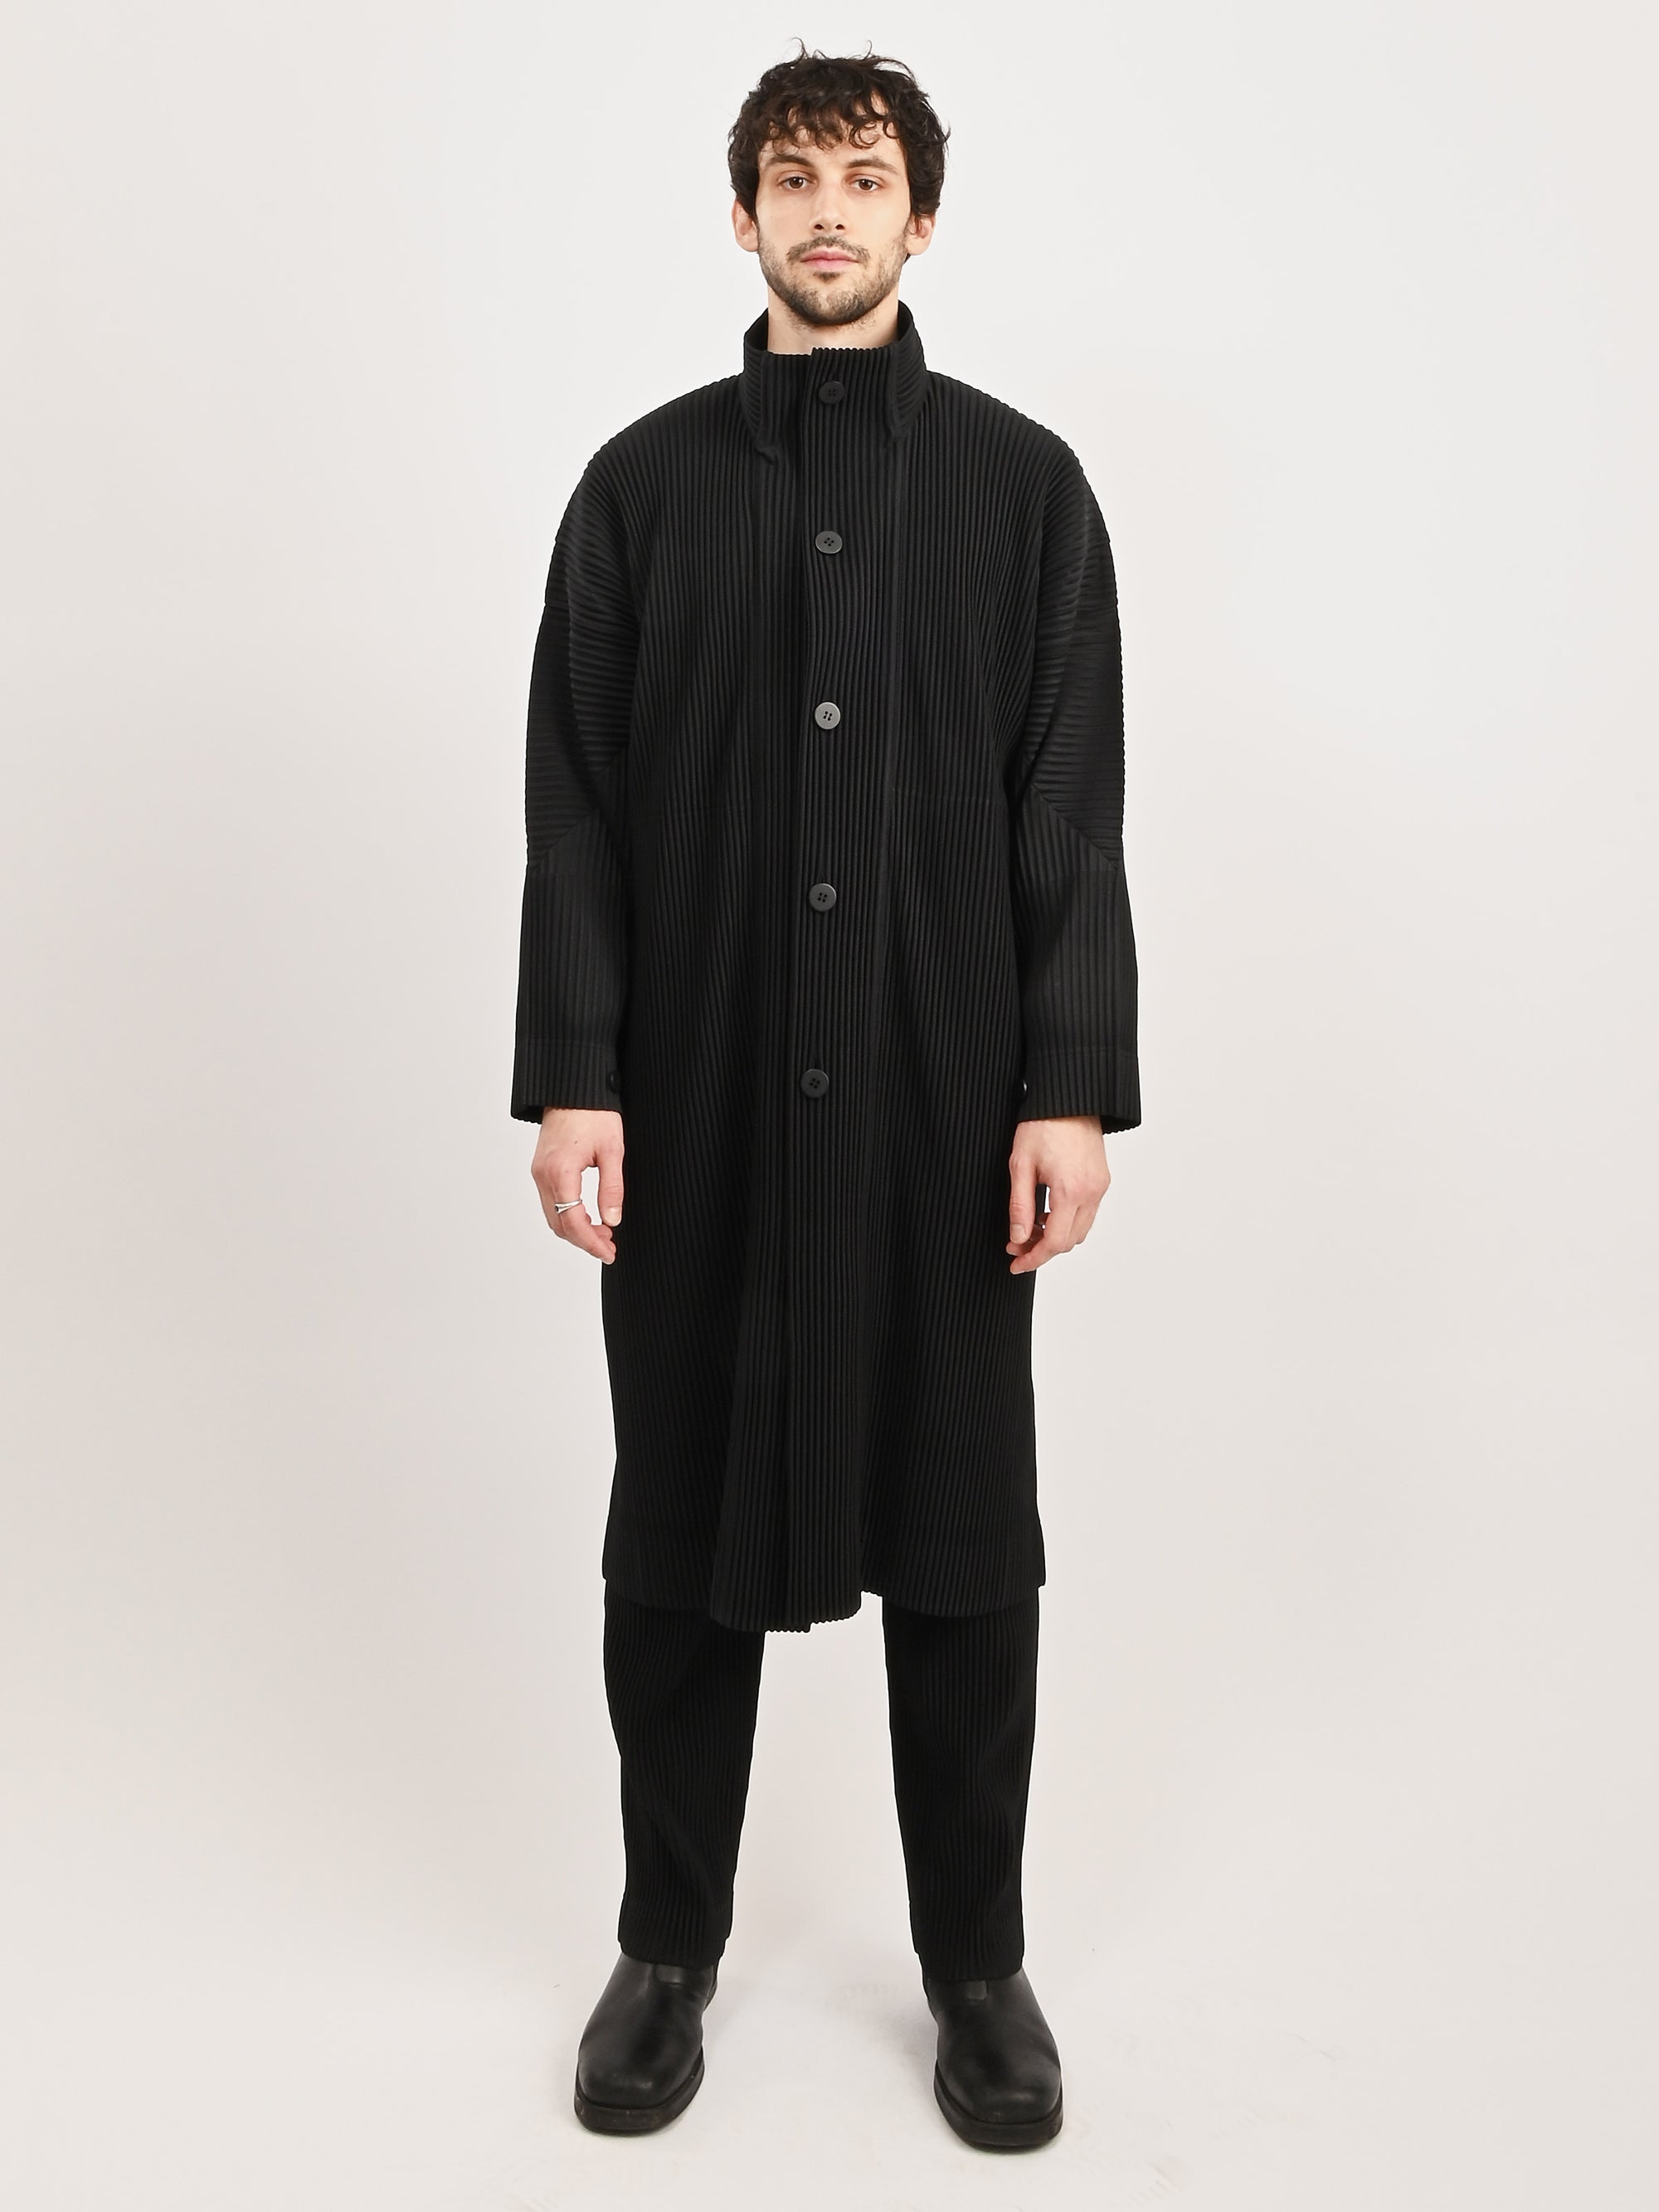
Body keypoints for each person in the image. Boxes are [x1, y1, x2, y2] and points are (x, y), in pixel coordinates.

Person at [510, 47, 1140, 2152]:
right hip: (695, 1094)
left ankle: (978, 1964)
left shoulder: (1027, 490)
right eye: (792, 178)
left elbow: (1068, 805)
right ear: (742, 217)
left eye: (864, 178)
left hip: (944, 1099)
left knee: (962, 1529)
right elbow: (577, 807)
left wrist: (1068, 1083)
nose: (828, 211)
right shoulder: (639, 489)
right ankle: (664, 1944)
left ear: (921, 219)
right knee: (679, 1519)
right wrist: (576, 1073)